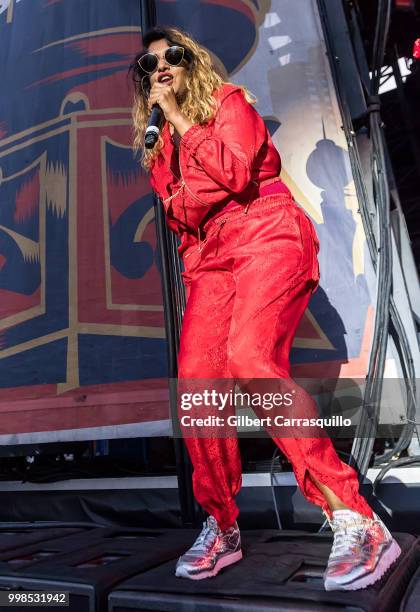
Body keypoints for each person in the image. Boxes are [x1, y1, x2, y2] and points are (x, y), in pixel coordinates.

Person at [130, 26, 401, 590]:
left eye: (170, 58)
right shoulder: (159, 151)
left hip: (266, 229)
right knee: (199, 383)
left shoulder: (229, 104)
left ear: (191, 65)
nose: (158, 69)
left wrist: (181, 120)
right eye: (147, 65)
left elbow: (231, 175)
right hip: (211, 256)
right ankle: (222, 525)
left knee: (250, 359)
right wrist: (171, 143)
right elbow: (185, 216)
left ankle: (356, 516)